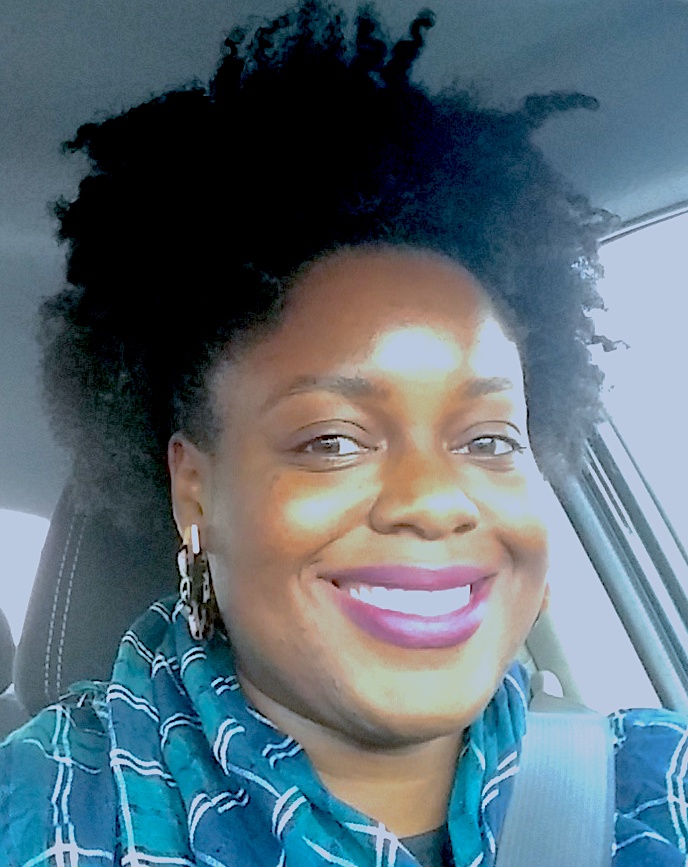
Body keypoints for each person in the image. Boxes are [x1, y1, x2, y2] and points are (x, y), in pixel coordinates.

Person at [1, 2, 686, 865]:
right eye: (332, 439)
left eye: (489, 440)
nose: (436, 500)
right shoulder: (50, 811)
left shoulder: (657, 787)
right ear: (195, 490)